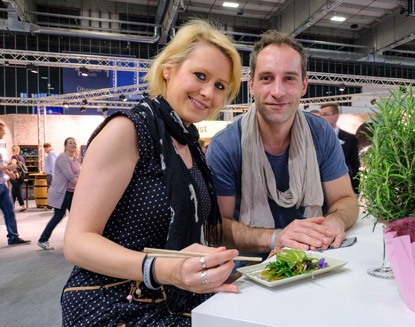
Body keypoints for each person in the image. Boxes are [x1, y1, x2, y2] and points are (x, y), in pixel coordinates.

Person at [61, 19, 242, 326]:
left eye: (220, 86)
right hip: (116, 303)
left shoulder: (189, 145)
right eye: (200, 75)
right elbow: (77, 242)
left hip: (175, 295)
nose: (208, 92)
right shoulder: (129, 130)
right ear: (168, 69)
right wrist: (164, 269)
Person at [206, 30, 359, 258]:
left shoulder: (321, 133)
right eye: (267, 78)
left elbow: (346, 199)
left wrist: (335, 221)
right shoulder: (226, 145)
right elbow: (218, 228)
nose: (278, 92)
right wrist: (277, 237)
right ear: (252, 85)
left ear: (304, 86)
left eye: (289, 78)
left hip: (316, 255)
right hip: (252, 266)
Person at [37, 137, 80, 251]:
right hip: (63, 192)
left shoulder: (75, 159)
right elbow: (69, 176)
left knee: (76, 217)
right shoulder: (62, 158)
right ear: (65, 146)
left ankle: (75, 240)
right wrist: (82, 185)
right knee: (59, 215)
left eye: (74, 143)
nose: (73, 144)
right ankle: (43, 240)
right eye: (70, 143)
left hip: (72, 192)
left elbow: (79, 173)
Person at [319, 103, 361, 194]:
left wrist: (356, 188)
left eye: (325, 114)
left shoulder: (349, 138)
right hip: (320, 189)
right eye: (321, 114)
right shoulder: (316, 138)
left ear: (336, 116)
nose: (321, 117)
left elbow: (354, 164)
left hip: (343, 187)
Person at [0, 123, 30, 246]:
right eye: (2, 130)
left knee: (9, 211)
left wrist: (7, 172)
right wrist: (9, 167)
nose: (4, 132)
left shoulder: (1, 147)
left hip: (3, 184)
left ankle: (13, 237)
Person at [9, 145, 26, 212]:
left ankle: (23, 207)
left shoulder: (14, 157)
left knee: (17, 191)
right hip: (21, 176)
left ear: (13, 150)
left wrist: (9, 173)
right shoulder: (21, 157)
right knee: (14, 191)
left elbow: (13, 166)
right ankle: (11, 207)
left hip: (15, 177)